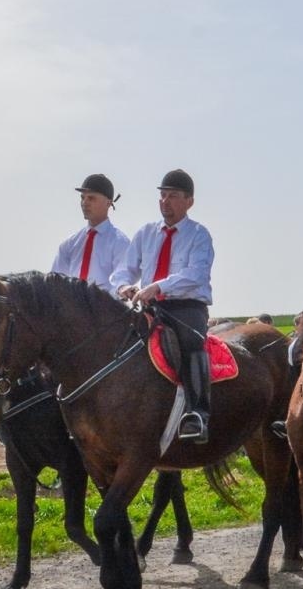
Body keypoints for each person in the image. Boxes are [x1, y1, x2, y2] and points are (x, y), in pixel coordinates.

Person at [113, 168, 215, 444]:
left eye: (172, 196)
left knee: (191, 340)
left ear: (189, 201)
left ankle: (197, 414)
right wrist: (124, 287)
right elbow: (124, 270)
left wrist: (158, 286)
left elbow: (196, 274)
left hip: (186, 308)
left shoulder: (199, 235)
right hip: (147, 306)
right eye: (162, 196)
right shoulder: (145, 233)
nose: (165, 202)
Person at [51, 173, 130, 290]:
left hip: (105, 306)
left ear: (108, 203)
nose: (84, 202)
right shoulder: (69, 244)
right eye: (82, 198)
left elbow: (122, 283)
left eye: (91, 198)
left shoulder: (120, 243)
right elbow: (55, 284)